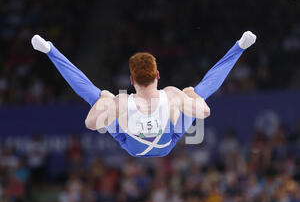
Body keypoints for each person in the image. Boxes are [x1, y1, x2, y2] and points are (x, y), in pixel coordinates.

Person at [31, 31, 256, 157]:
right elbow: (205, 113)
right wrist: (192, 97)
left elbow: (90, 124)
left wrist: (104, 104)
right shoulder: (171, 95)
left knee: (98, 97)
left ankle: (50, 50)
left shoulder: (121, 101)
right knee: (197, 92)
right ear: (157, 75)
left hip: (131, 145)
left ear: (131, 80)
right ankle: (239, 47)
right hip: (167, 142)